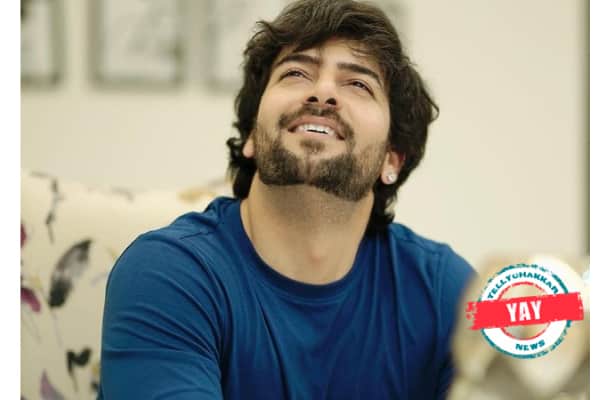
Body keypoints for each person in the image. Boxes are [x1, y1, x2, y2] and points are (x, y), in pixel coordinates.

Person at [98, 0, 475, 398]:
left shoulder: (445, 290)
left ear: (391, 158)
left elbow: (520, 335)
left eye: (358, 84)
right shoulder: (165, 274)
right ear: (250, 136)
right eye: (296, 73)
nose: (323, 91)